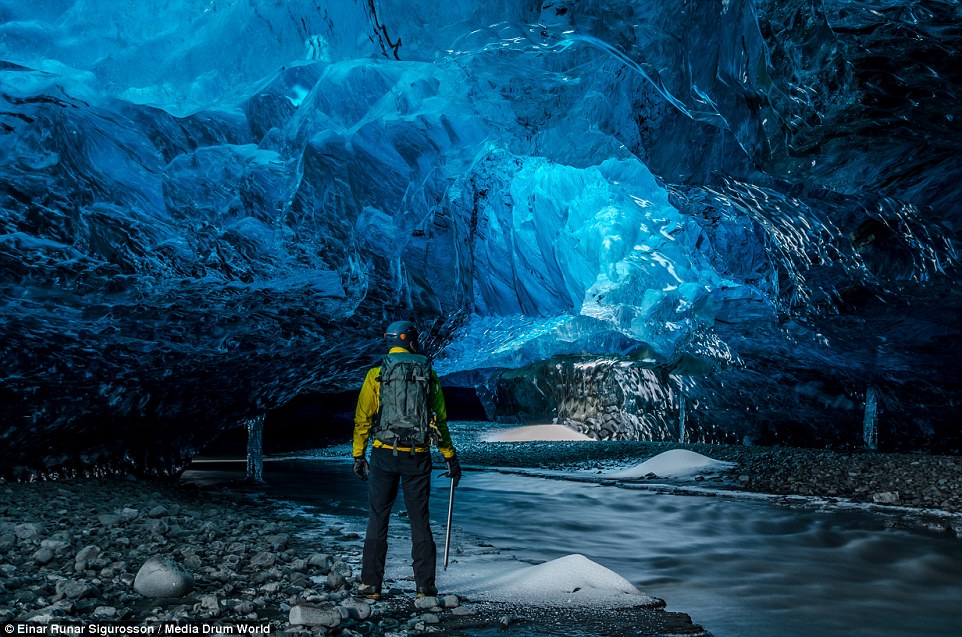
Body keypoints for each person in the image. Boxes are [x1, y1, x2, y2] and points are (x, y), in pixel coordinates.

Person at [351, 320, 462, 600]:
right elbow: (440, 420)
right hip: (418, 456)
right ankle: (425, 588)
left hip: (383, 454)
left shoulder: (377, 373)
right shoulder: (429, 374)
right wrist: (450, 458)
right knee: (419, 521)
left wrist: (358, 455)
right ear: (411, 341)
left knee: (378, 518)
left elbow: (363, 419)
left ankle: (371, 586)